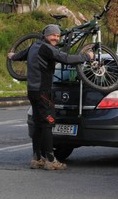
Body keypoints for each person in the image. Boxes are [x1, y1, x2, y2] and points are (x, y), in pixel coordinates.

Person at [7, 24, 94, 170]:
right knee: (48, 123)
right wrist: (86, 56)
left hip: (32, 91)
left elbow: (19, 56)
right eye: (53, 35)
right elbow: (66, 58)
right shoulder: (47, 49)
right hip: (43, 92)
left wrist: (12, 56)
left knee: (38, 123)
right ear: (46, 35)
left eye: (58, 36)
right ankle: (50, 160)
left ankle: (37, 158)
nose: (55, 38)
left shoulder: (34, 46)